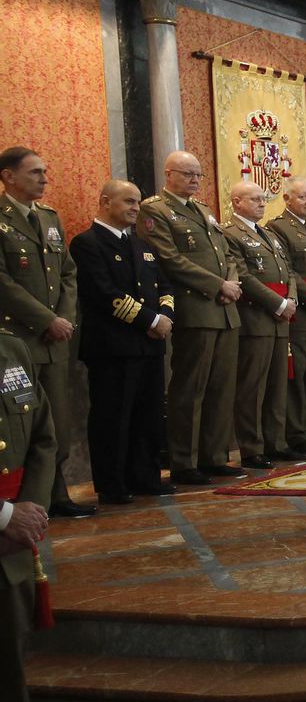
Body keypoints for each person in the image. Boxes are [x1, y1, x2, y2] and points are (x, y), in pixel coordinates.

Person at [140, 150, 244, 486]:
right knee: (191, 388)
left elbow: (226, 253)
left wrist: (231, 282)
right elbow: (169, 260)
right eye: (188, 174)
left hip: (225, 310)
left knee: (221, 387)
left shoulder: (203, 210)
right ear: (168, 174)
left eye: (198, 174)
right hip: (195, 309)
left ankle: (214, 455)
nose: (195, 180)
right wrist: (218, 286)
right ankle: (184, 461)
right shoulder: (155, 210)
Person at [71, 180, 176, 503]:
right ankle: (113, 483)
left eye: (138, 202)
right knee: (113, 417)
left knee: (148, 414)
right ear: (105, 201)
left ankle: (145, 476)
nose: (135, 208)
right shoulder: (87, 243)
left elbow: (164, 285)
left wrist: (165, 314)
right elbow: (104, 293)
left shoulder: (141, 245)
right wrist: (151, 320)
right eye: (128, 201)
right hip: (113, 347)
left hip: (150, 345)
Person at [0, 148, 85, 518]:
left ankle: (56, 492)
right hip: (18, 340)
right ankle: (25, 501)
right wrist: (44, 320)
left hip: (55, 339)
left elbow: (68, 272)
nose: (44, 179)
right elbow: (3, 282)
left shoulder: (50, 219)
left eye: (45, 172)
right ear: (8, 177)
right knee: (22, 424)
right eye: (35, 172)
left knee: (58, 422)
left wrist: (62, 318)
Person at [0, 323, 56, 702]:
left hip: (10, 555)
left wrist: (28, 511)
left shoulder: (11, 348)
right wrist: (1, 516)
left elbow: (42, 436)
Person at [220, 180, 298, 469]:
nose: (262, 203)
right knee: (253, 387)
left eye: (263, 199)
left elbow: (288, 271)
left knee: (278, 385)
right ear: (237, 202)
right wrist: (278, 304)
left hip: (281, 318)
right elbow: (244, 276)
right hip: (257, 318)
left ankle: (276, 442)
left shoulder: (268, 234)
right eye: (254, 199)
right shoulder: (231, 233)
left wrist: (290, 299)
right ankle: (252, 447)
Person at [265, 176, 306, 454]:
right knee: (298, 374)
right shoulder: (279, 228)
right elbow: (289, 272)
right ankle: (298, 433)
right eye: (302, 197)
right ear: (287, 199)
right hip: (303, 311)